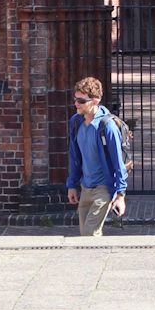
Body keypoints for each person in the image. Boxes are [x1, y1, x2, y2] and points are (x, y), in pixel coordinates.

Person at [66, 76, 128, 238]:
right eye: (75, 99)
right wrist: (72, 184)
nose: (76, 104)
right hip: (85, 187)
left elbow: (118, 162)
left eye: (81, 100)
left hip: (103, 188)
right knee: (86, 236)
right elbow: (74, 155)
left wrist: (120, 195)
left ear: (95, 101)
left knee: (89, 235)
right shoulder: (75, 122)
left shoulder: (107, 126)